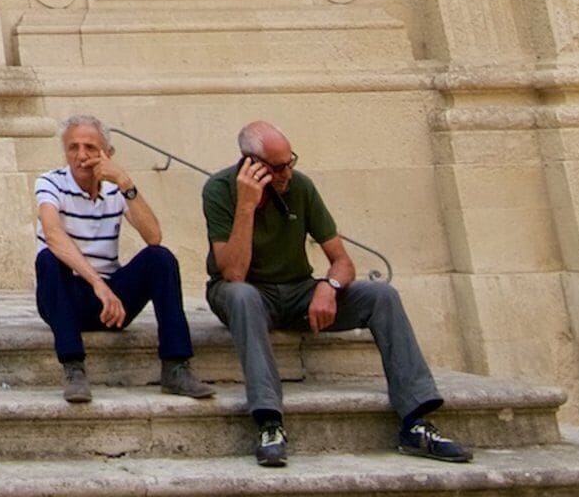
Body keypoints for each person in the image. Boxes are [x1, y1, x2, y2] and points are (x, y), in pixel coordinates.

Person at [200, 120, 471, 468]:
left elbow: (342, 261)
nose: (287, 173)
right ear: (251, 165)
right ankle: (269, 423)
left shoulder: (300, 187)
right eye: (278, 167)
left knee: (381, 296)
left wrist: (330, 287)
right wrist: (247, 207)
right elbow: (233, 272)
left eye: (290, 162)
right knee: (242, 295)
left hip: (298, 291)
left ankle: (415, 422)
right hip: (246, 293)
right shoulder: (219, 190)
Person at [31, 115, 211, 405]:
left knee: (160, 259)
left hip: (109, 303)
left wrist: (125, 181)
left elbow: (153, 236)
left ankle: (176, 367)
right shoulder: (50, 182)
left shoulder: (117, 189)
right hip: (66, 297)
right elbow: (53, 234)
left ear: (108, 154)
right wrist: (98, 285)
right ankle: (74, 369)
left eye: (90, 147)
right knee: (49, 260)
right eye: (73, 147)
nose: (81, 155)